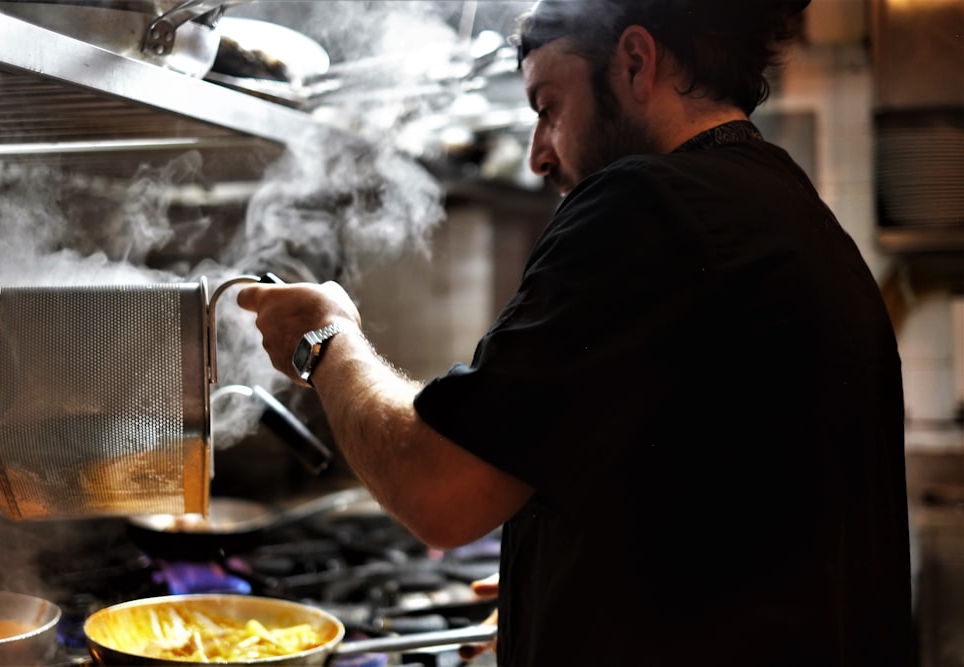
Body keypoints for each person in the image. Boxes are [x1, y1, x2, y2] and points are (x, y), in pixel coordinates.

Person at [237, 0, 913, 664]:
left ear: (636, 61)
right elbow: (742, 510)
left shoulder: (648, 204)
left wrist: (328, 339)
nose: (539, 155)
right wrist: (572, 587)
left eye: (547, 107)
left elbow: (439, 490)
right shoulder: (793, 216)